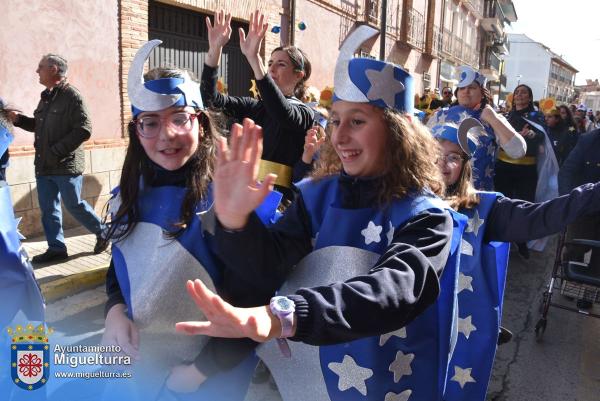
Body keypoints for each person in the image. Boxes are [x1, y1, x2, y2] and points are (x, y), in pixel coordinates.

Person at [176, 25, 465, 401]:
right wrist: (233, 223)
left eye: (357, 121)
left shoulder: (427, 217)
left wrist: (286, 315)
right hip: (303, 380)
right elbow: (267, 268)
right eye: (335, 120)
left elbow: (394, 290)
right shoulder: (315, 196)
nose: (339, 137)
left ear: (400, 132)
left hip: (385, 384)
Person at [100, 40, 275, 400]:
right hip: (143, 366)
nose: (167, 135)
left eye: (180, 118)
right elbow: (121, 269)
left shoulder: (230, 199)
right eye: (150, 122)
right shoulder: (130, 195)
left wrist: (199, 372)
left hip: (208, 377)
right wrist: (114, 310)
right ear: (137, 131)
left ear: (201, 123)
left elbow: (256, 298)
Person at [432, 120, 600, 401]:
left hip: (455, 337)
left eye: (453, 157)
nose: (441, 164)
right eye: (434, 154)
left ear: (465, 165)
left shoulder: (485, 208)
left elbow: (541, 217)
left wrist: (593, 193)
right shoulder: (398, 203)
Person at [200, 10, 314, 198]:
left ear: (298, 75)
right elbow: (210, 100)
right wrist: (215, 50)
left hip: (281, 201)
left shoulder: (304, 113)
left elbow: (282, 113)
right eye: (269, 63)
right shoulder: (254, 106)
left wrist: (255, 59)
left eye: (281, 64)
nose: (271, 68)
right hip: (244, 194)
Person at [7, 54, 107, 263]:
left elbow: (84, 129)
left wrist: (56, 152)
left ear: (53, 69)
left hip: (65, 165)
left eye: (40, 67)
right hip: (44, 166)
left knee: (74, 205)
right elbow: (39, 125)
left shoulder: (72, 96)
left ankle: (104, 232)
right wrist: (19, 120)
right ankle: (57, 249)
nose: (37, 71)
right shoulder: (46, 96)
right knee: (48, 210)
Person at [427, 66, 526, 190]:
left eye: (472, 87)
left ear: (483, 93)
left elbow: (518, 151)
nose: (466, 91)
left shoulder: (494, 118)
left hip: (478, 194)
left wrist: (493, 119)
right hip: (441, 189)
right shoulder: (440, 115)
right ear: (457, 92)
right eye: (462, 88)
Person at [494, 84, 558, 258]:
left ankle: (521, 240)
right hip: (503, 167)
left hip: (526, 169)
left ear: (530, 98)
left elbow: (543, 137)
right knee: (502, 202)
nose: (520, 95)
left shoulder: (536, 116)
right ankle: (501, 238)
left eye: (524, 93)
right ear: (513, 97)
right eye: (517, 92)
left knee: (524, 204)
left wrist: (530, 135)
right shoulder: (505, 116)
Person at [559, 128, 600, 283]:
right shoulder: (588, 140)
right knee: (575, 248)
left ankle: (588, 292)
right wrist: (568, 202)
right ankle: (568, 282)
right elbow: (566, 172)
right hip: (585, 205)